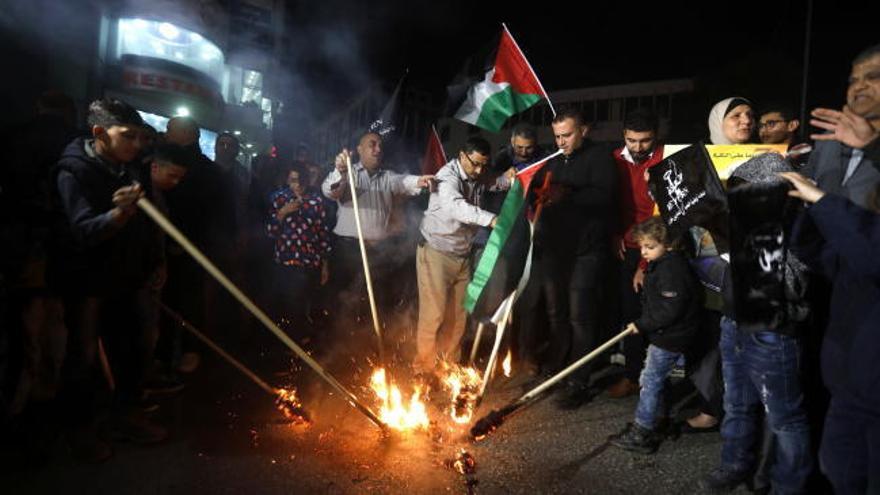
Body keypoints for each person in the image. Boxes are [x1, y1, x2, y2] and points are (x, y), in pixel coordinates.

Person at [51, 97, 167, 461]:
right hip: (87, 282)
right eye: (127, 136)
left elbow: (146, 225)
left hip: (126, 277)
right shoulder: (73, 171)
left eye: (139, 137)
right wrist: (118, 214)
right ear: (99, 132)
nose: (135, 145)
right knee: (84, 357)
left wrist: (155, 261)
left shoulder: (128, 168)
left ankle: (124, 418)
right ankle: (78, 433)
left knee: (130, 351)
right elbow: (84, 230)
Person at [701, 154, 813, 494]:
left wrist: (756, 253)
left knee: (784, 419)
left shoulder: (799, 224)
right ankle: (734, 465)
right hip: (734, 323)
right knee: (736, 405)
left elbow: (797, 284)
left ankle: (789, 485)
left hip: (773, 332)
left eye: (747, 193)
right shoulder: (742, 222)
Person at [782, 170, 880, 494]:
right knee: (840, 470)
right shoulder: (859, 239)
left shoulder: (869, 246)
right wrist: (800, 210)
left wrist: (823, 201)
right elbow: (820, 255)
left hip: (872, 391)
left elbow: (871, 255)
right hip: (848, 385)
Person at [537, 106, 618, 408]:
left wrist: (567, 194)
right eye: (557, 136)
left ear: (583, 130)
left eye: (567, 135)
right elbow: (539, 191)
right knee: (556, 314)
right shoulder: (554, 160)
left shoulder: (600, 158)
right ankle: (557, 369)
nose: (561, 141)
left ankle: (578, 380)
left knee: (579, 316)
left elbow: (604, 196)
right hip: (556, 252)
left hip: (586, 252)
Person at [414, 137, 508, 372]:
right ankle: (423, 370)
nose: (479, 170)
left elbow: (494, 182)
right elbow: (457, 208)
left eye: (483, 165)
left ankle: (449, 367)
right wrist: (491, 219)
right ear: (462, 155)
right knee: (433, 315)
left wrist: (510, 178)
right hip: (436, 252)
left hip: (462, 255)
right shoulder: (447, 177)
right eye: (475, 164)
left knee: (459, 316)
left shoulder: (478, 173)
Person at [321, 131, 432, 329]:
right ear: (359, 150)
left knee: (371, 302)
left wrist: (420, 181)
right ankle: (332, 345)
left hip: (377, 251)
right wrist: (340, 170)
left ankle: (362, 346)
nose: (378, 149)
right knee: (341, 300)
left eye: (380, 145)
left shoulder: (387, 177)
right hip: (348, 249)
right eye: (372, 144)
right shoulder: (349, 173)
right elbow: (330, 190)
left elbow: (405, 181)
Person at [610, 217, 701, 454]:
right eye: (642, 246)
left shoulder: (672, 269)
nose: (644, 252)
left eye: (650, 247)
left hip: (670, 336)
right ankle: (659, 420)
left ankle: (643, 430)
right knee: (657, 380)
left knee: (649, 381)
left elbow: (669, 310)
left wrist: (642, 324)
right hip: (664, 334)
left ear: (669, 244)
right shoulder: (662, 263)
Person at [608, 108, 665, 399]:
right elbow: (614, 201)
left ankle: (654, 380)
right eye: (632, 140)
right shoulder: (615, 159)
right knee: (630, 311)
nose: (638, 147)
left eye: (645, 141)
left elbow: (665, 215)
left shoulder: (666, 158)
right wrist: (617, 233)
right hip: (627, 247)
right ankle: (632, 376)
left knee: (655, 314)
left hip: (660, 248)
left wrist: (645, 262)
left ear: (655, 137)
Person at [803, 44, 880, 209]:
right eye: (853, 81)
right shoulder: (829, 137)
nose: (859, 86)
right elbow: (806, 180)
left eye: (873, 76)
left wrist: (873, 146)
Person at [266, 165, 331, 341]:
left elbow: (322, 234)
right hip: (285, 263)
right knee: (288, 305)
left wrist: (325, 265)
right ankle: (290, 345)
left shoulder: (316, 201)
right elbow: (271, 232)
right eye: (294, 180)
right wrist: (282, 213)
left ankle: (302, 345)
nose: (298, 185)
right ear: (288, 180)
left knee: (305, 305)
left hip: (309, 263)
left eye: (301, 180)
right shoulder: (278, 199)